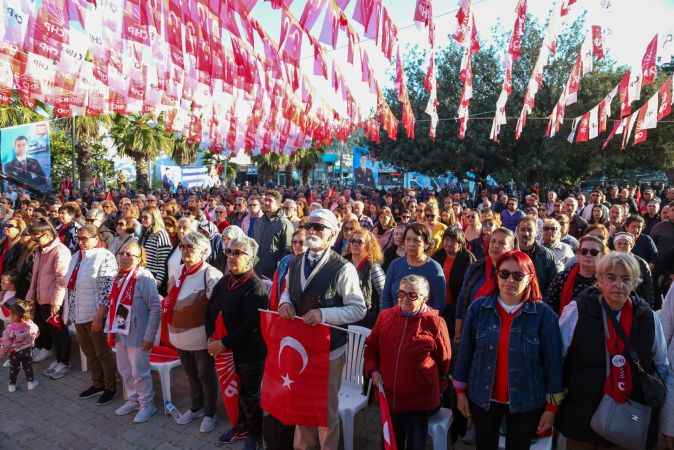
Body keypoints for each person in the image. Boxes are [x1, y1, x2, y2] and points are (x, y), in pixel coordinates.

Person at [557, 252, 669, 450]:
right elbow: (558, 357)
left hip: (630, 418)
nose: (619, 284)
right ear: (599, 280)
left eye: (626, 279)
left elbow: (661, 365)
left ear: (635, 283)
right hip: (583, 416)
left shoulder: (647, 317)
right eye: (611, 277)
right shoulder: (578, 310)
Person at [454, 250, 564, 450]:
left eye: (518, 275)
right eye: (504, 274)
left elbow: (553, 363)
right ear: (496, 275)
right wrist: (460, 391)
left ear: (530, 277)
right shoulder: (478, 308)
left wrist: (551, 408)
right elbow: (465, 353)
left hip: (527, 401)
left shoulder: (544, 315)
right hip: (483, 397)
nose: (510, 280)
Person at [277, 209, 366, 450]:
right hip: (299, 346)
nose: (314, 231)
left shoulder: (343, 268)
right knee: (301, 403)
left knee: (325, 410)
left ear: (334, 234)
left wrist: (324, 314)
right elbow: (288, 290)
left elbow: (359, 309)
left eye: (320, 227)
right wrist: (284, 303)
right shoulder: (295, 261)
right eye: (311, 226)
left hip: (329, 351)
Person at [364, 275, 451, 450]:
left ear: (424, 299)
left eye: (412, 295)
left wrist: (433, 384)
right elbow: (371, 348)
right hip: (390, 397)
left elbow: (444, 362)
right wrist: (373, 370)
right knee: (389, 444)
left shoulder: (435, 323)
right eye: (401, 293)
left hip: (419, 402)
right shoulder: (385, 316)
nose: (404, 299)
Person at [207, 236, 268, 449]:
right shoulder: (225, 281)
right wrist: (210, 337)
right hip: (224, 348)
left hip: (249, 351)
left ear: (250, 259)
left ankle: (255, 434)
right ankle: (240, 426)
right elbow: (211, 309)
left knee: (250, 394)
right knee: (235, 392)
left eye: (238, 253)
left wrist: (223, 343)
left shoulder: (255, 286)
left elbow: (251, 324)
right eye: (230, 252)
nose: (232, 257)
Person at [165, 231, 223, 433]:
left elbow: (217, 310)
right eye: (183, 246)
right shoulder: (180, 270)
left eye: (191, 247)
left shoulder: (211, 274)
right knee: (190, 374)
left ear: (204, 251)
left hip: (200, 338)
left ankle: (210, 413)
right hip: (180, 336)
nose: (185, 250)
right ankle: (196, 407)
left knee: (205, 375)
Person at [107, 241, 161, 423]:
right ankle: (133, 399)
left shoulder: (144, 277)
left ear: (139, 259)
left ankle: (147, 405)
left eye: (130, 254)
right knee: (125, 370)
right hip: (121, 331)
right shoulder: (118, 276)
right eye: (122, 253)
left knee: (140, 372)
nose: (124, 256)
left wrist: (149, 336)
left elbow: (155, 308)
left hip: (138, 334)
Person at [64, 224, 118, 403]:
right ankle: (97, 383)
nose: (81, 242)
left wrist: (100, 315)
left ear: (96, 239)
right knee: (89, 351)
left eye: (85, 238)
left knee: (103, 352)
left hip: (95, 313)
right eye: (79, 238)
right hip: (79, 312)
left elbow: (107, 289)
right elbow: (70, 287)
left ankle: (110, 387)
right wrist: (69, 313)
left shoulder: (105, 256)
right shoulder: (76, 257)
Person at [25, 219, 71, 374]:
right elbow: (35, 276)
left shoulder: (60, 251)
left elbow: (61, 280)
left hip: (54, 300)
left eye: (37, 237)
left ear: (48, 233)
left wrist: (56, 303)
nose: (35, 241)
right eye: (33, 238)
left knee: (59, 332)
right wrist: (30, 295)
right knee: (47, 329)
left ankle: (63, 361)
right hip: (41, 297)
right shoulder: (40, 250)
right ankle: (55, 357)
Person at [455, 227, 516, 343]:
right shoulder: (476, 267)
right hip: (470, 327)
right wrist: (458, 330)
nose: (495, 246)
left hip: (499, 334)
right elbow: (463, 298)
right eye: (493, 241)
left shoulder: (514, 274)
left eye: (502, 243)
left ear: (511, 248)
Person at [381, 223, 446, 311]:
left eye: (416, 240)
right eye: (408, 239)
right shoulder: (395, 265)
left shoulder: (434, 269)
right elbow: (385, 297)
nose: (411, 244)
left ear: (426, 244)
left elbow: (438, 305)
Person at [545, 236, 607, 314]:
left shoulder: (607, 280)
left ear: (602, 256)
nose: (588, 255)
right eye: (584, 251)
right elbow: (550, 304)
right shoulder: (563, 277)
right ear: (578, 254)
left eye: (594, 252)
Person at [432, 227, 476, 338]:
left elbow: (468, 287)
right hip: (438, 305)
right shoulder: (438, 255)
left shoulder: (467, 258)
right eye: (446, 239)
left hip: (457, 307)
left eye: (453, 240)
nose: (449, 243)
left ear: (460, 243)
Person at [346, 228, 386, 328]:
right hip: (345, 314)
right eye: (352, 241)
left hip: (366, 319)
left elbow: (384, 294)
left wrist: (380, 320)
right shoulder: (344, 263)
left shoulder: (373, 267)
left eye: (360, 242)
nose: (355, 244)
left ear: (368, 246)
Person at [254, 190, 293, 280]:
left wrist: (279, 269)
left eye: (270, 200)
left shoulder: (284, 224)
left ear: (278, 204)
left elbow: (287, 250)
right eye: (265, 200)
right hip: (257, 270)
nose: (266, 203)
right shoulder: (259, 221)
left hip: (274, 273)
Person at [0, 302, 39, 392]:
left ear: (14, 316)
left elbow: (6, 344)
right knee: (28, 367)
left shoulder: (9, 329)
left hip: (15, 352)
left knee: (14, 369)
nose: (10, 317)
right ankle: (30, 383)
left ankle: (12, 385)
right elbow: (36, 333)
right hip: (27, 350)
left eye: (11, 314)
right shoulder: (31, 325)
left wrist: (1, 354)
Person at [613, 232, 657, 309]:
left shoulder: (641, 263)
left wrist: (649, 306)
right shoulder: (608, 262)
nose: (622, 246)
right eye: (619, 243)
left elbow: (648, 287)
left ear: (631, 246)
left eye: (626, 243)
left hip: (636, 304)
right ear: (615, 246)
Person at [516, 217, 559, 295]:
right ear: (517, 232)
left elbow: (553, 284)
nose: (526, 234)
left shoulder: (547, 255)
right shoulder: (510, 254)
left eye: (529, 230)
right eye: (522, 230)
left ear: (536, 233)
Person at [139, 206, 173, 289]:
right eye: (142, 217)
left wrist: (158, 281)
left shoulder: (160, 234)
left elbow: (164, 261)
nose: (143, 220)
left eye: (146, 217)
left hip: (153, 277)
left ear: (154, 218)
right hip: (142, 274)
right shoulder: (145, 233)